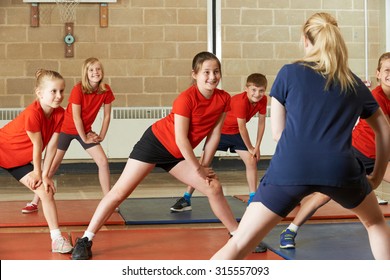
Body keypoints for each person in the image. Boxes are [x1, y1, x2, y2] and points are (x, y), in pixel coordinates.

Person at [211, 13, 390, 260]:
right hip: (339, 168)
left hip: (291, 166)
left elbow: (277, 134)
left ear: (306, 40)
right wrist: (377, 176)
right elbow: (384, 130)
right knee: (375, 224)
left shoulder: (288, 73)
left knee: (240, 242)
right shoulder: (353, 82)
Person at [70, 51, 242, 260]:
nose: (212, 77)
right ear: (194, 74)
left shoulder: (223, 99)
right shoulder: (185, 99)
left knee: (213, 186)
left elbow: (215, 134)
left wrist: (204, 167)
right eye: (206, 72)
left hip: (177, 154)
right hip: (155, 144)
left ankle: (237, 236)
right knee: (119, 193)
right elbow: (181, 139)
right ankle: (86, 239)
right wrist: (198, 168)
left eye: (216, 72)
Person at [279, 52, 390, 249]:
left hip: (380, 156)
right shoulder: (376, 96)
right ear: (378, 74)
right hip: (357, 152)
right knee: (324, 194)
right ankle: (291, 229)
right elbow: (385, 128)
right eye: (387, 70)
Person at [21, 57, 115, 214]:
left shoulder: (105, 90)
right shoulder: (79, 89)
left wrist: (102, 136)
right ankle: (35, 201)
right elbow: (76, 117)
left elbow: (106, 116)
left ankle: (108, 201)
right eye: (91, 70)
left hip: (84, 131)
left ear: (102, 72)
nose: (95, 72)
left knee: (103, 162)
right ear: (86, 73)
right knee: (51, 168)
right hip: (65, 128)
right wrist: (84, 137)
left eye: (98, 69)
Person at [170, 73, 268, 212]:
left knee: (251, 161)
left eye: (261, 91)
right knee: (203, 163)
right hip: (220, 132)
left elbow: (261, 123)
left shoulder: (263, 100)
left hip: (236, 134)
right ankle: (186, 198)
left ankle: (253, 198)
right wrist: (251, 147)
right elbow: (242, 127)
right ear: (246, 88)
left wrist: (257, 147)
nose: (257, 94)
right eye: (253, 90)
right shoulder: (240, 101)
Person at [0, 69, 73, 253]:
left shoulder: (60, 114)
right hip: (3, 148)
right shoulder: (33, 113)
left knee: (46, 192)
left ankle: (56, 239)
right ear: (39, 93)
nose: (58, 96)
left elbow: (52, 146)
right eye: (53, 91)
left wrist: (46, 176)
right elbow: (38, 145)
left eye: (61, 91)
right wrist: (38, 173)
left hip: (18, 159)